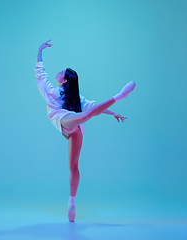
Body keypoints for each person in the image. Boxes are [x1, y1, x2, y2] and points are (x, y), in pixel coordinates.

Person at [35, 40, 136, 222]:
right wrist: (40, 51)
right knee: (82, 121)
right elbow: (40, 74)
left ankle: (71, 202)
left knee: (75, 158)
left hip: (73, 126)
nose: (57, 73)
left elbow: (93, 107)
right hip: (66, 122)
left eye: (60, 73)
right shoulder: (57, 93)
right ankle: (71, 203)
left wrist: (112, 113)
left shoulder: (71, 96)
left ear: (64, 80)